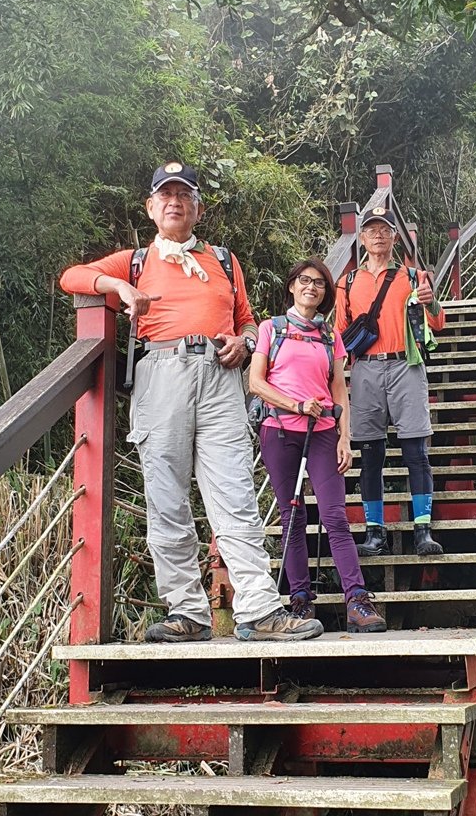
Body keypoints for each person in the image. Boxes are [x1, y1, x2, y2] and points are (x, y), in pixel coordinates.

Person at [60, 161, 323, 644]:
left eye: (184, 195)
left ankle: (260, 609)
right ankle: (187, 611)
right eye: (166, 195)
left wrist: (244, 342)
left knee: (236, 495)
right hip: (160, 376)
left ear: (198, 207)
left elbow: (247, 321)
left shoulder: (224, 260)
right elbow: (71, 277)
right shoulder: (135, 261)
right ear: (152, 207)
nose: (175, 202)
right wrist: (117, 287)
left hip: (221, 378)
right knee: (166, 500)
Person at [249, 259, 387, 633]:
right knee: (292, 517)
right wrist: (295, 405)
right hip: (279, 431)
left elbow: (339, 389)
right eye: (304, 281)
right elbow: (255, 382)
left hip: (324, 430)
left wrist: (346, 437)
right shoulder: (271, 329)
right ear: (292, 286)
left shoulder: (330, 336)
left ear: (325, 294)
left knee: (335, 515)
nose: (312, 287)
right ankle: (300, 600)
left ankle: (356, 599)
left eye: (320, 284)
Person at [334, 207, 446, 558]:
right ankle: (374, 533)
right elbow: (338, 333)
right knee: (370, 453)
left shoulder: (413, 277)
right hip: (365, 369)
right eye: (372, 230)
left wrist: (432, 304)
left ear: (396, 238)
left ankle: (422, 530)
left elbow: (438, 323)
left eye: (385, 230)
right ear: (362, 239)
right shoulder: (348, 282)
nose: (378, 235)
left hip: (405, 365)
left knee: (416, 450)